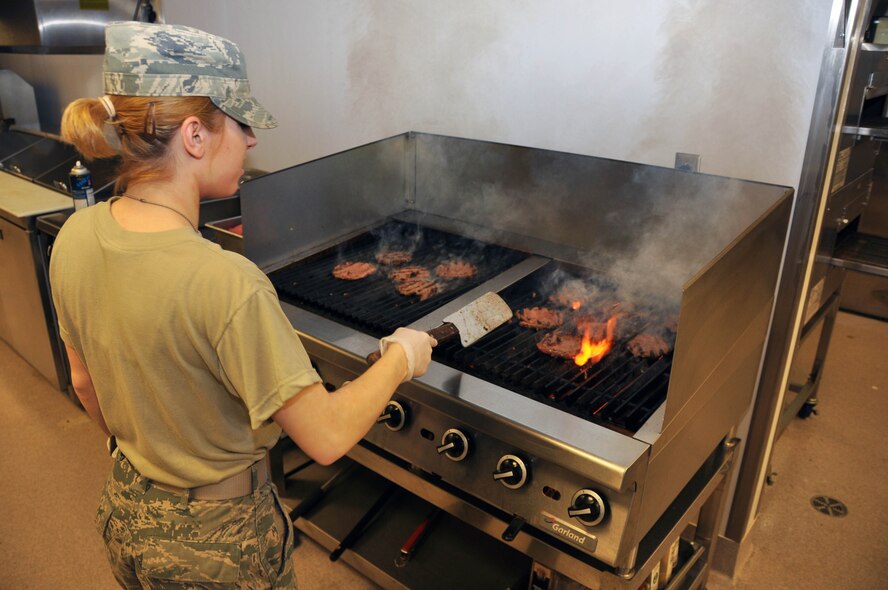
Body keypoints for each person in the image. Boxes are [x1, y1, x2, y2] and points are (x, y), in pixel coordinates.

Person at [50, 21, 435, 589]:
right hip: (220, 548)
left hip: (128, 512)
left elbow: (85, 384)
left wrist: (153, 453)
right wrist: (400, 358)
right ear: (195, 137)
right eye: (240, 122)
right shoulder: (226, 280)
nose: (252, 139)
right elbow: (325, 438)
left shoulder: (75, 236)